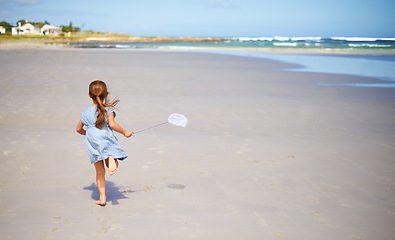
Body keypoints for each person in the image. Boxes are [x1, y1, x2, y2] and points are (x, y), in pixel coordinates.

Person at [76, 80, 133, 206]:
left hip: (92, 140)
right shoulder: (107, 109)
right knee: (109, 151)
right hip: (104, 136)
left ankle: (102, 198)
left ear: (89, 95)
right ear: (106, 94)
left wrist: (89, 134)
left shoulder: (85, 112)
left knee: (99, 172)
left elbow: (78, 129)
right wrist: (125, 132)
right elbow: (112, 125)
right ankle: (111, 159)